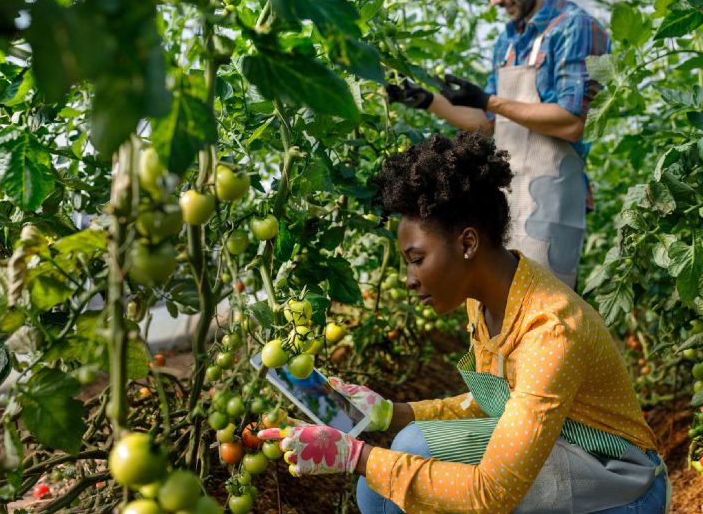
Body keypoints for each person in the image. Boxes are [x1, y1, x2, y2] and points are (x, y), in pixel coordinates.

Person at [260, 133, 668, 514]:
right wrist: (391, 413)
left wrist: (356, 456)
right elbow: (499, 403)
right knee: (381, 487)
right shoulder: (487, 303)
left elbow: (491, 492)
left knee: (407, 455)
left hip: (621, 481)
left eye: (417, 259)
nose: (410, 279)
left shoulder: (551, 329)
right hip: (561, 444)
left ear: (468, 244)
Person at [386, 0, 608, 288]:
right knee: (499, 303)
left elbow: (572, 122)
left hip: (552, 196)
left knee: (541, 303)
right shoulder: (507, 40)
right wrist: (429, 102)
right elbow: (489, 123)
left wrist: (490, 100)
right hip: (506, 195)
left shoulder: (575, 28)